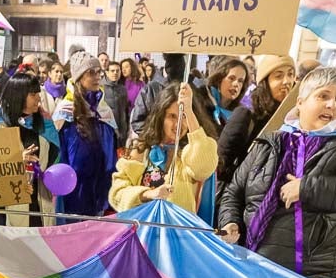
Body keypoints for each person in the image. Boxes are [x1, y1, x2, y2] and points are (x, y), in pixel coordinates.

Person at [218, 67, 336, 278]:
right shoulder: (269, 143)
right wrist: (230, 221)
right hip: (253, 270)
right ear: (300, 102)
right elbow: (234, 191)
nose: (331, 105)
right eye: (323, 96)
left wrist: (308, 189)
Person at [109, 82, 218, 219]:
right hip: (144, 236)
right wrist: (147, 194)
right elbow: (117, 193)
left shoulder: (193, 151)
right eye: (172, 116)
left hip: (181, 237)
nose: (178, 124)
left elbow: (204, 167)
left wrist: (189, 111)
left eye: (183, 116)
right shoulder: (142, 149)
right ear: (161, 117)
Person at [53, 51, 119, 217]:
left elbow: (111, 151)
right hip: (74, 193)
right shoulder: (65, 110)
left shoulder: (103, 110)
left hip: (99, 190)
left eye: (99, 72)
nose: (97, 76)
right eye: (91, 72)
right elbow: (58, 154)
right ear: (78, 77)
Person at [0, 70, 59, 226]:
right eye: (33, 94)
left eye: (38, 93)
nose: (38, 98)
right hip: (11, 206)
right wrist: (16, 161)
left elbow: (53, 162)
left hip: (41, 201)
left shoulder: (45, 125)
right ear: (18, 96)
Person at [218, 53, 295, 192]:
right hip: (240, 197)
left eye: (290, 74)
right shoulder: (246, 115)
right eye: (278, 76)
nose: (287, 81)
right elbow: (222, 164)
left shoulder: (294, 119)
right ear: (265, 81)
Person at [206, 55, 249, 129]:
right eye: (231, 78)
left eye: (240, 81)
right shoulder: (203, 102)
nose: (236, 84)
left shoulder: (241, 116)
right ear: (219, 80)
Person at [101, 59, 131, 146]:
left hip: (121, 131)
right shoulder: (100, 88)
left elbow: (125, 110)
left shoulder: (123, 89)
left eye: (117, 71)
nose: (115, 73)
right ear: (107, 72)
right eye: (112, 71)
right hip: (106, 131)